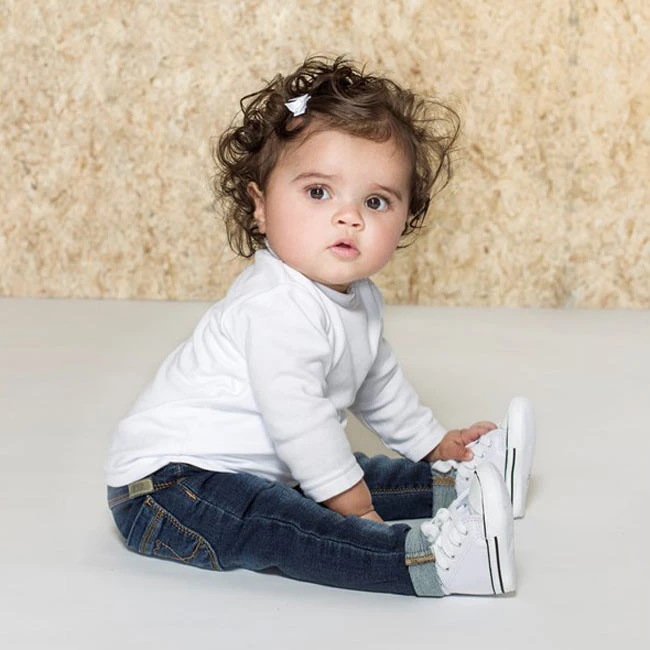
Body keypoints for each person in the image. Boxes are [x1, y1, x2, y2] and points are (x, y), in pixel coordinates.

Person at [106, 55, 536, 597]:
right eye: (318, 192)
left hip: (259, 469)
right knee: (289, 521)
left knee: (350, 470)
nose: (348, 217)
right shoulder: (275, 305)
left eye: (375, 201)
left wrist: (434, 444)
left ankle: (462, 479)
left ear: (406, 217)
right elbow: (300, 421)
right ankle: (432, 564)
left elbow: (378, 385)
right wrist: (354, 511)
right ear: (260, 206)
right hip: (167, 488)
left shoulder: (360, 298)